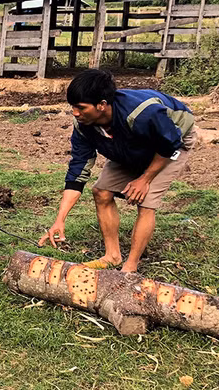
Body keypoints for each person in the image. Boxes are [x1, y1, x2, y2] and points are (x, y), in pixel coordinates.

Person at [39, 69, 197, 273]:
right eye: (72, 107)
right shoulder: (83, 125)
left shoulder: (143, 113)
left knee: (146, 201)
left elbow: (169, 143)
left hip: (171, 143)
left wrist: (144, 179)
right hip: (129, 144)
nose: (75, 113)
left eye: (80, 107)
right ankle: (112, 256)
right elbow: (78, 169)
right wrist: (59, 220)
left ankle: (130, 267)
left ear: (102, 105)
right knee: (101, 192)